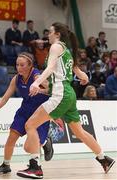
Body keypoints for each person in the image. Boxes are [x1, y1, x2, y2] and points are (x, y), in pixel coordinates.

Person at [17, 22, 115, 179]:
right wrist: (83, 77)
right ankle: (103, 158)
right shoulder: (66, 50)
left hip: (60, 93)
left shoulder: (56, 47)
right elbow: (76, 70)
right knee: (80, 132)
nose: (48, 35)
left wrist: (36, 83)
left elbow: (50, 69)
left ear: (57, 34)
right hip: (69, 94)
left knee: (30, 124)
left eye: (50, 32)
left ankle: (35, 168)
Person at [0, 52, 53, 175]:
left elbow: (52, 90)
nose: (19, 67)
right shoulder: (16, 78)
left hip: (40, 113)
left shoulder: (37, 77)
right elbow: (5, 98)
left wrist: (40, 90)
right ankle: (6, 165)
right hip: (24, 111)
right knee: (11, 138)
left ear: (30, 65)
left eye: (22, 65)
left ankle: (45, 142)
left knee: (28, 147)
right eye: (17, 64)